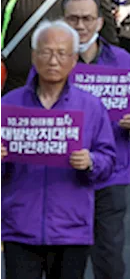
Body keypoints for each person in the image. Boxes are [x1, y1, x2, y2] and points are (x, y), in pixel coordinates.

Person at [0, 19, 117, 279]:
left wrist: (91, 162)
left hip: (71, 229)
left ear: (74, 59)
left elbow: (109, 160)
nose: (53, 61)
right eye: (46, 52)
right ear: (33, 56)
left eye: (62, 53)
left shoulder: (91, 106)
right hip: (20, 225)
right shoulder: (8, 105)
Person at [63, 0, 130, 279]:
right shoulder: (51, 59)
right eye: (73, 19)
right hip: (64, 172)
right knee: (66, 257)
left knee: (109, 255)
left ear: (100, 22)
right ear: (62, 22)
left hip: (111, 171)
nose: (80, 26)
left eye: (87, 19)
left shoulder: (122, 59)